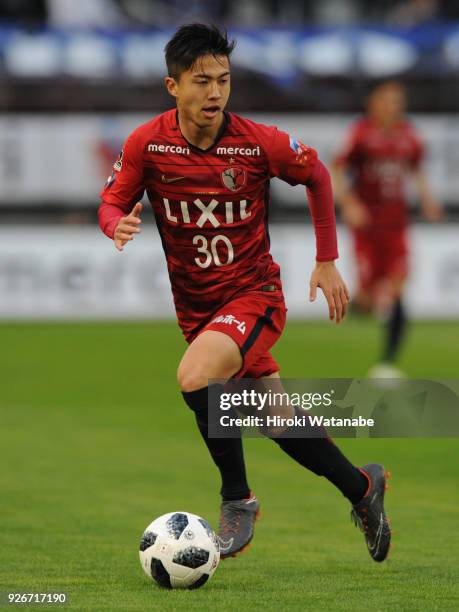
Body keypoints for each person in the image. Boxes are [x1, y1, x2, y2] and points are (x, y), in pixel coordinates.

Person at [98, 23, 391, 562]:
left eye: (224, 80)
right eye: (202, 80)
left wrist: (327, 258)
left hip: (255, 296)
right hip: (198, 309)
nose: (214, 92)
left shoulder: (258, 142)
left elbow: (319, 175)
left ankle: (238, 499)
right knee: (275, 418)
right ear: (173, 87)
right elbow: (111, 201)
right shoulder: (147, 143)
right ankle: (362, 489)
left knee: (196, 377)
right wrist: (114, 222)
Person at [332, 81, 442, 378]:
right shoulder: (361, 133)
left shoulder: (409, 136)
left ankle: (387, 362)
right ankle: (363, 303)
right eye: (388, 99)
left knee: (396, 287)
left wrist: (428, 201)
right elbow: (338, 168)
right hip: (367, 228)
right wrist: (349, 203)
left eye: (398, 100)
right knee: (368, 298)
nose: (394, 105)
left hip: (396, 225)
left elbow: (415, 170)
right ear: (373, 103)